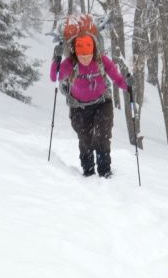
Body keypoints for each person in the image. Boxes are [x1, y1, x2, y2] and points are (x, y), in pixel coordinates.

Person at [51, 35, 129, 178]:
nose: (86, 59)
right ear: (76, 54)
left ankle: (105, 172)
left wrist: (127, 85)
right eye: (82, 56)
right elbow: (54, 76)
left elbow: (116, 77)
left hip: (102, 102)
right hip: (78, 107)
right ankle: (88, 172)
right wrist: (56, 58)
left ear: (93, 51)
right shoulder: (70, 63)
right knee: (85, 139)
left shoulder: (101, 60)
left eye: (88, 55)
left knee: (102, 137)